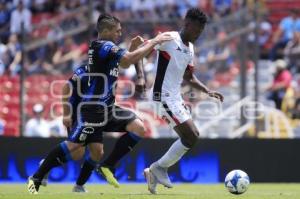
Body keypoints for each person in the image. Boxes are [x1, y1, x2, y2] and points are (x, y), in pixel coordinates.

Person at [27, 13, 173, 194]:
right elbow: (127, 61)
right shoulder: (102, 47)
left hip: (108, 107)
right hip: (92, 109)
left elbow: (126, 61)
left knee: (131, 132)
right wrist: (154, 41)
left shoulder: (108, 52)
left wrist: (133, 48)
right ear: (106, 31)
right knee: (76, 150)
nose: (120, 34)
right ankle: (38, 176)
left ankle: (93, 176)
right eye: (117, 31)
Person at [142, 8, 224, 194]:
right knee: (191, 135)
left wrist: (207, 90)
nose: (198, 34)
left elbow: (189, 77)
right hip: (161, 96)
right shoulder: (169, 38)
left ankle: (155, 171)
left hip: (175, 97)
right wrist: (140, 74)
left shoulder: (191, 48)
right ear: (187, 24)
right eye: (196, 30)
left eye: (201, 31)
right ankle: (158, 168)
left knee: (192, 136)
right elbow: (144, 50)